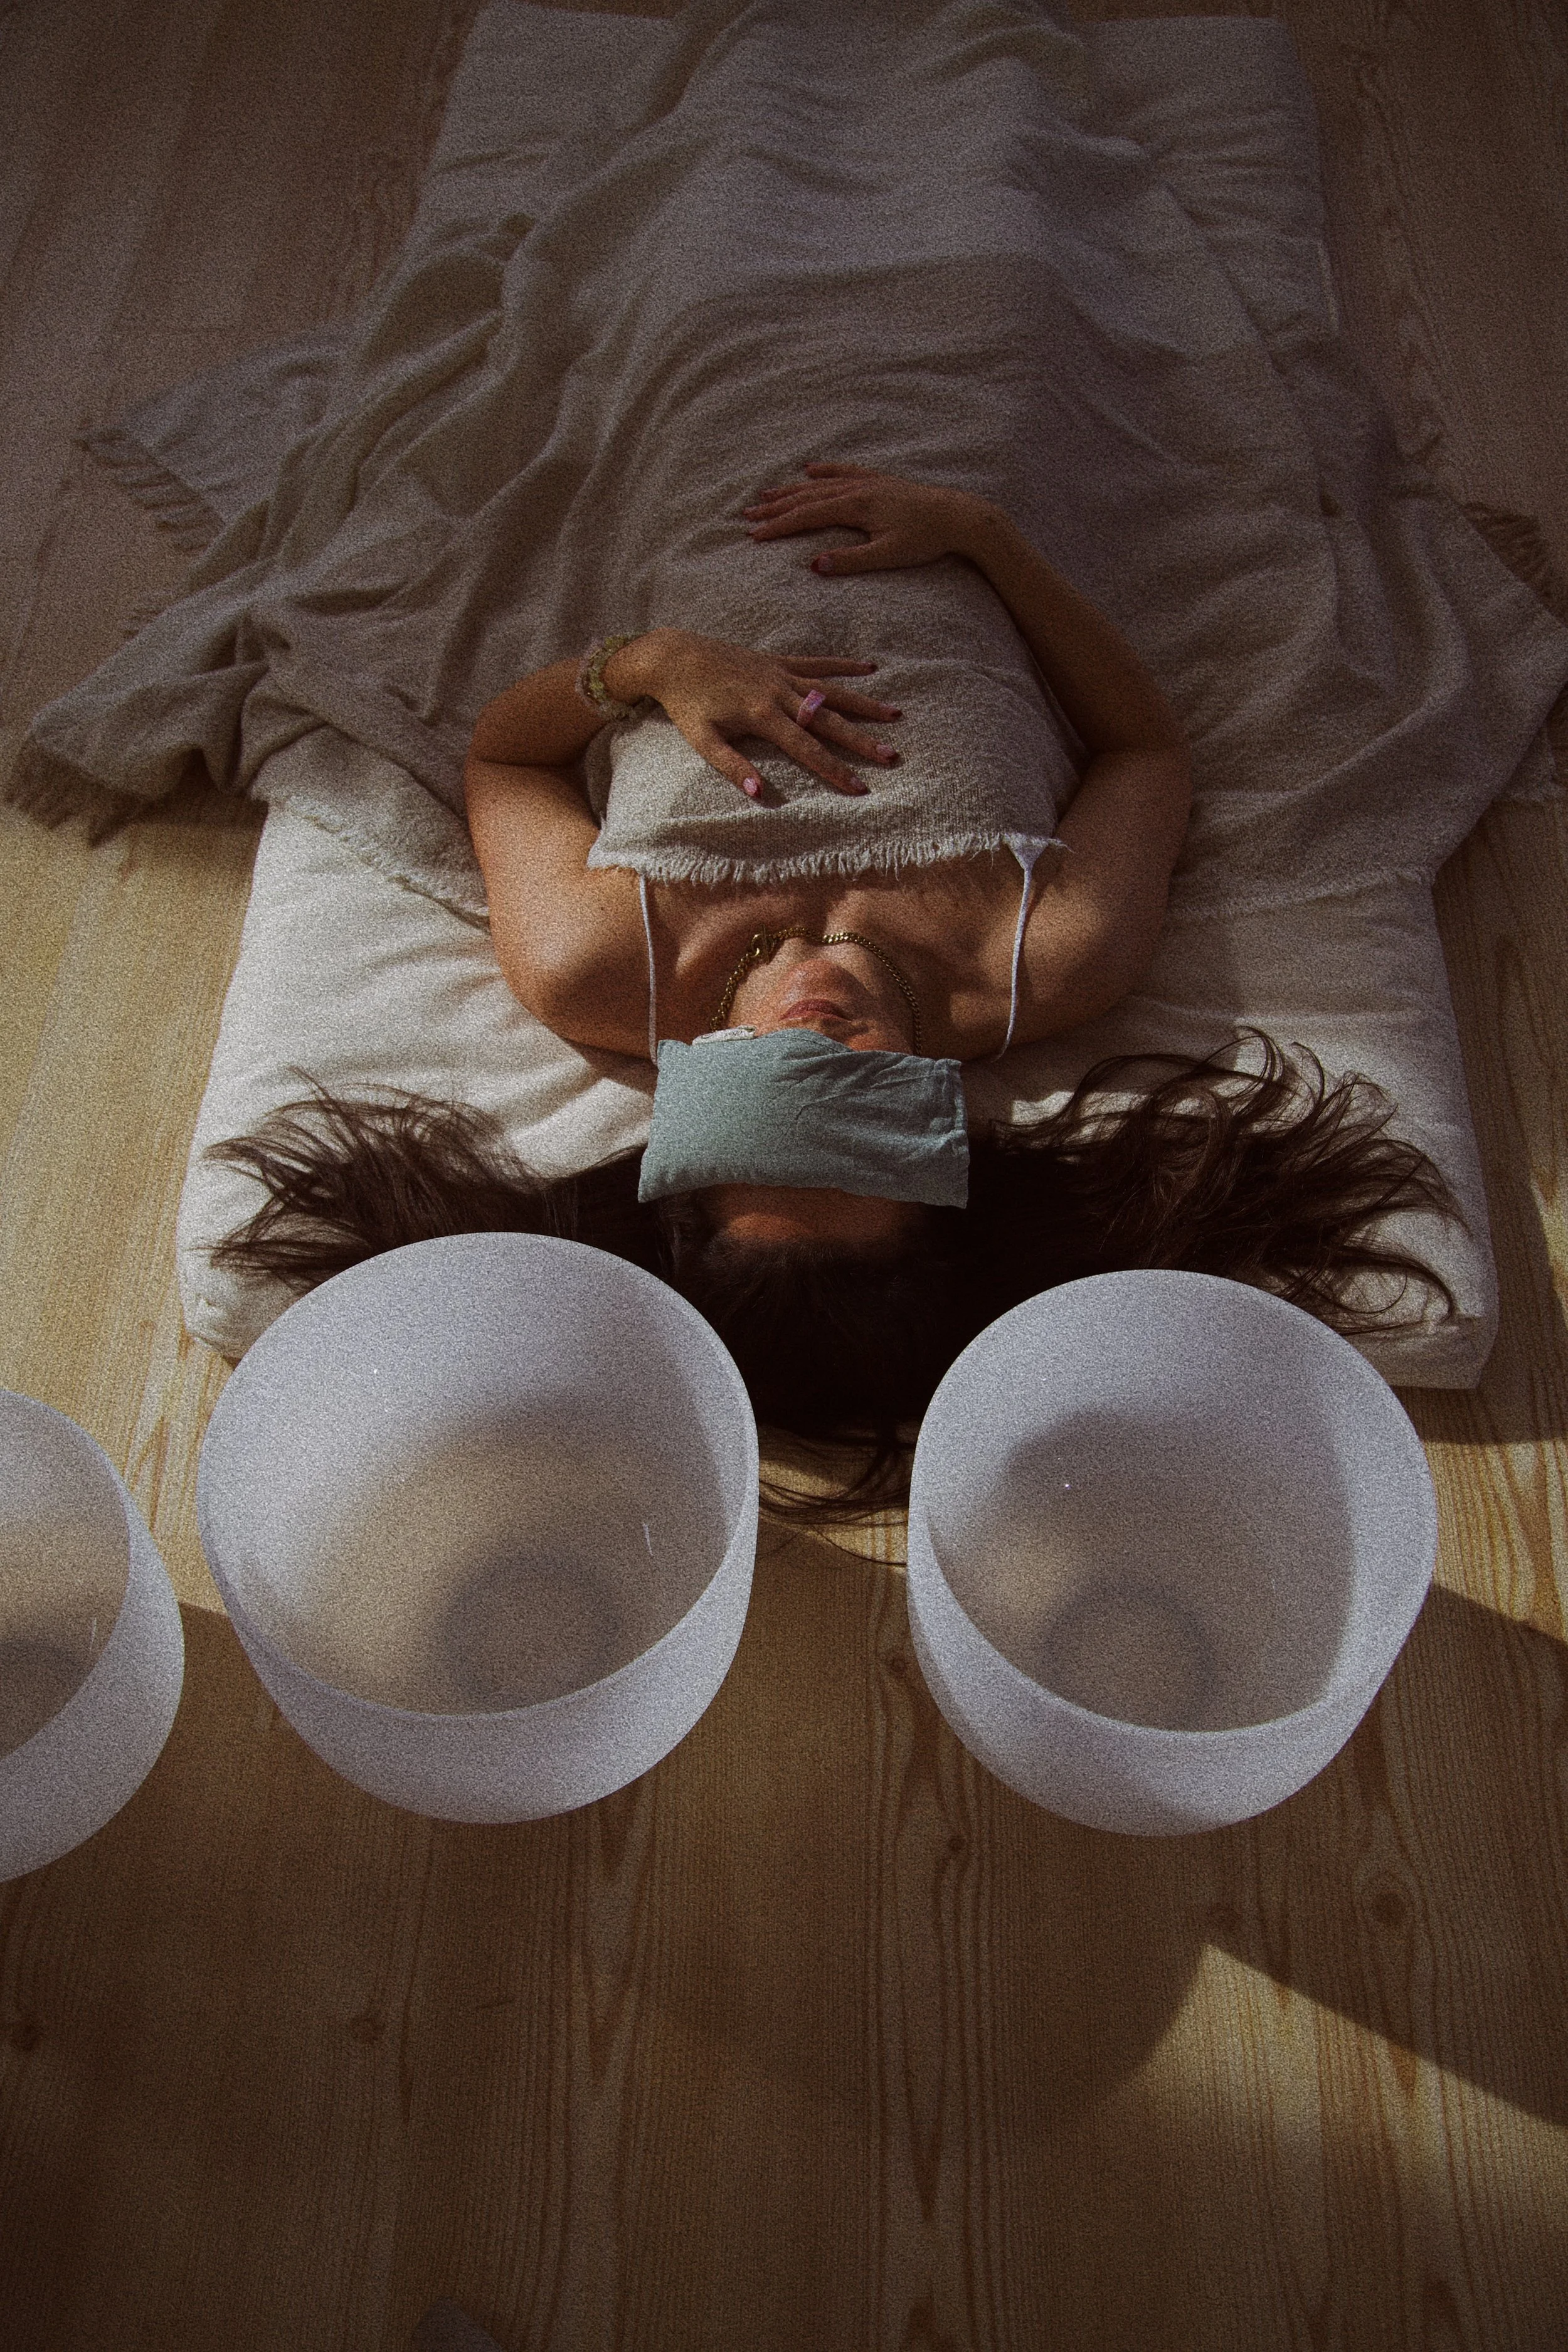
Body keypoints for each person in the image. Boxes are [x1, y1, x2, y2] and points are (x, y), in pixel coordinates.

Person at [208, 467, 1460, 1517]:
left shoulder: (599, 966)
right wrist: (982, 535)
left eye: (769, 1093)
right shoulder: (1049, 953)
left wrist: (643, 665)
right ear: (943, 1141)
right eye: (853, 1103)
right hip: (961, 497)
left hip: (706, 489)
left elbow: (503, 752)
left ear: (684, 1133)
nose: (813, 1031)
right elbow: (1144, 750)